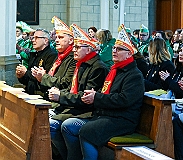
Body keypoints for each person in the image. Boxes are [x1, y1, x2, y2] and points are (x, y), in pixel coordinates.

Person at [75, 24, 144, 160]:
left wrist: (97, 98)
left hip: (123, 119)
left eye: (119, 49)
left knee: (86, 131)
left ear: (129, 54)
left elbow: (124, 100)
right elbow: (105, 92)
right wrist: (93, 95)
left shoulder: (134, 75)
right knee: (71, 127)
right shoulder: (115, 70)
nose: (114, 51)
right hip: (108, 114)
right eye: (114, 48)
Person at [47, 24, 108, 160]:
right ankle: (66, 156)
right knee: (46, 119)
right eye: (74, 47)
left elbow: (85, 97)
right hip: (74, 107)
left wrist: (61, 96)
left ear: (89, 49)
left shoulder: (97, 68)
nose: (74, 50)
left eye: (77, 47)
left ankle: (72, 156)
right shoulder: (81, 64)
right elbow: (73, 89)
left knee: (59, 125)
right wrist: (60, 93)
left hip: (87, 111)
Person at [31, 16, 76, 100]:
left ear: (70, 40)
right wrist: (40, 76)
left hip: (61, 101)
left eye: (61, 37)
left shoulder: (73, 59)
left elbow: (65, 83)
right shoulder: (59, 57)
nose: (56, 40)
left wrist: (44, 77)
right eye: (56, 37)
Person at [16, 28, 58, 95]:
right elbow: (28, 80)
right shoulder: (34, 54)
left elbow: (45, 79)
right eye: (33, 38)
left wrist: (26, 72)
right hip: (30, 92)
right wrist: (21, 76)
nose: (33, 40)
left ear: (45, 40)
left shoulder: (52, 55)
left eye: (36, 38)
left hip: (42, 94)